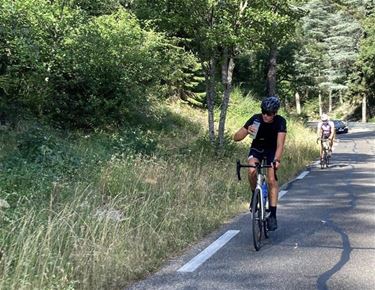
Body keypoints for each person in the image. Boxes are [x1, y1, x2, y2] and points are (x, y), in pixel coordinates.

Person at [233, 96, 287, 231]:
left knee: (271, 179)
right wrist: (246, 130)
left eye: (268, 113)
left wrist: (277, 160)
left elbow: (280, 145)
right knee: (251, 170)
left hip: (271, 150)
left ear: (274, 113)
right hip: (257, 148)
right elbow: (236, 138)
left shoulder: (280, 122)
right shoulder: (256, 119)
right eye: (263, 111)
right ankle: (254, 195)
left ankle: (273, 215)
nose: (265, 115)